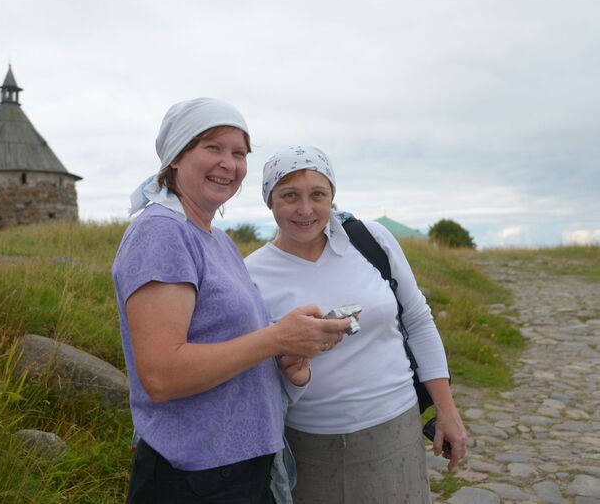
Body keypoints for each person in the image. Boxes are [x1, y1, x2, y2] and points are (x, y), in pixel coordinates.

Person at [112, 101, 351, 503]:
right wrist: (276, 338)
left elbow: (228, 346)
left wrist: (286, 355)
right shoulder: (161, 234)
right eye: (212, 147)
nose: (228, 163)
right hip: (195, 478)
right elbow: (161, 375)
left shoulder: (215, 239)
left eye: (238, 153)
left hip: (237, 468)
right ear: (175, 156)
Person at [244, 146, 468, 503]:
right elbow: (253, 368)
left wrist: (447, 411)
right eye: (289, 196)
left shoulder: (370, 240)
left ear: (332, 197)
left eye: (318, 195)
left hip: (396, 427)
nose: (305, 209)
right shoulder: (251, 274)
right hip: (309, 443)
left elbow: (419, 320)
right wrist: (292, 362)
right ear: (269, 201)